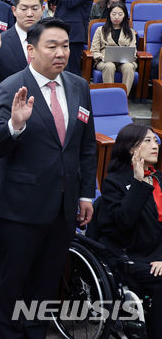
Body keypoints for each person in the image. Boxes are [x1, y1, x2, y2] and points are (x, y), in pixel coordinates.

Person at [0, 17, 96, 339]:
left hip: (63, 207)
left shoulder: (79, 86)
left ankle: (36, 333)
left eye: (65, 45)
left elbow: (85, 147)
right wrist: (14, 126)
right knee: (14, 282)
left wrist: (85, 194)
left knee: (46, 282)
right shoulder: (10, 88)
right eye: (52, 46)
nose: (61, 52)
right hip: (21, 208)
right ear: (31, 50)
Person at [95, 124, 162, 339]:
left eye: (156, 141)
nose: (155, 146)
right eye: (148, 141)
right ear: (132, 149)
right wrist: (138, 181)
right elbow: (123, 225)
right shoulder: (115, 183)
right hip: (134, 255)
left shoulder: (159, 178)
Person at [90, 2, 137, 95]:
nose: (116, 17)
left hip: (124, 62)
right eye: (114, 14)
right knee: (109, 66)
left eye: (120, 14)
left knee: (129, 67)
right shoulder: (100, 30)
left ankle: (123, 98)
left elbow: (133, 50)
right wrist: (102, 57)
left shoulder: (130, 32)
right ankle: (109, 96)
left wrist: (130, 57)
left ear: (124, 16)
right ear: (109, 14)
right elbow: (94, 50)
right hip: (104, 61)